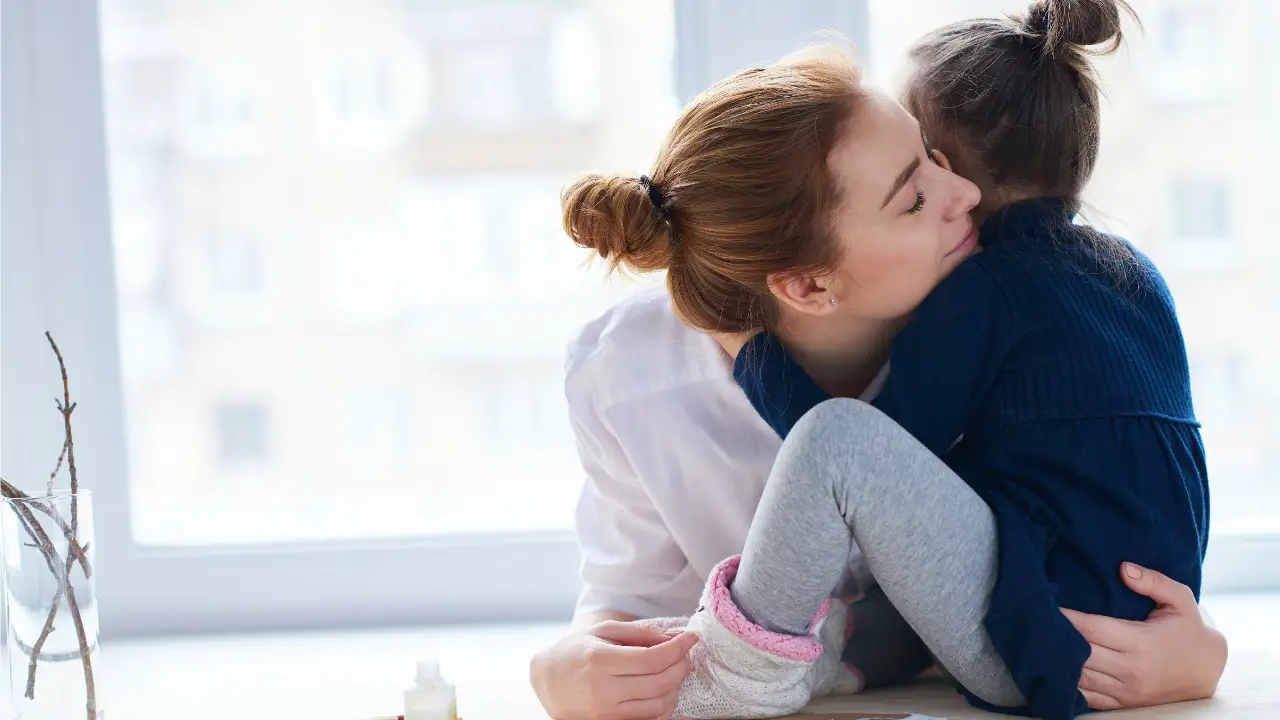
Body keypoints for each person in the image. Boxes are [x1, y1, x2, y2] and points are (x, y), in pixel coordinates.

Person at [531, 6, 1227, 720]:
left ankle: (760, 669)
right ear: (807, 285)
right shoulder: (624, 373)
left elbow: (1102, 492)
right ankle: (790, 661)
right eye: (917, 194)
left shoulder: (1011, 307)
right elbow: (629, 612)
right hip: (937, 650)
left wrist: (1203, 649)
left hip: (1039, 647)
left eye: (937, 153)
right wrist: (564, 666)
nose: (970, 195)